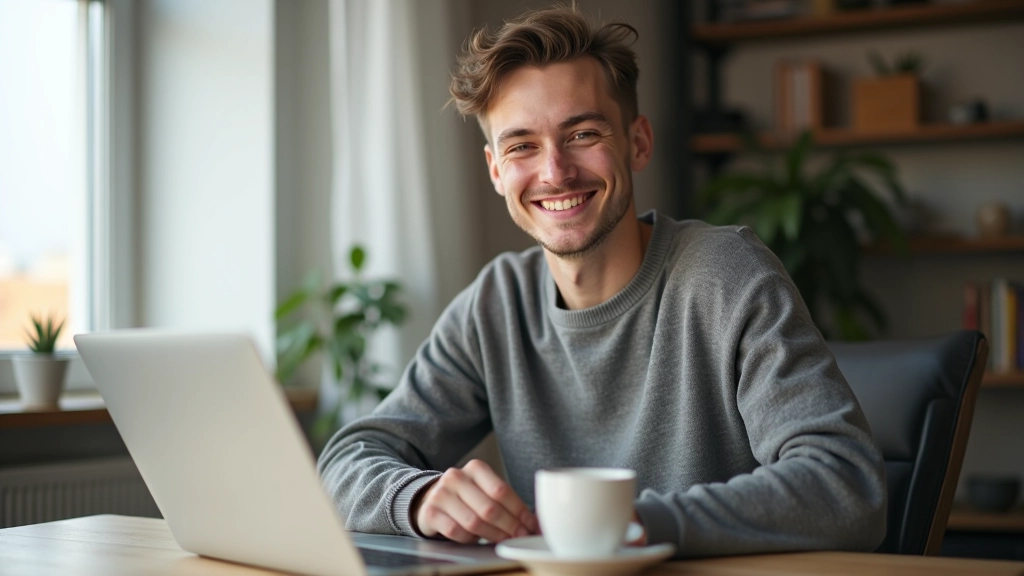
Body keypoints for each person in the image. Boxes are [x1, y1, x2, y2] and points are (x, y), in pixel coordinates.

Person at [317, 6, 886, 557]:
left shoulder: (726, 275)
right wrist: (416, 499)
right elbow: (345, 460)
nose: (555, 171)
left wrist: (632, 525)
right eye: (521, 146)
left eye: (583, 133)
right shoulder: (496, 303)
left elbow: (845, 486)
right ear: (496, 171)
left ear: (637, 142)